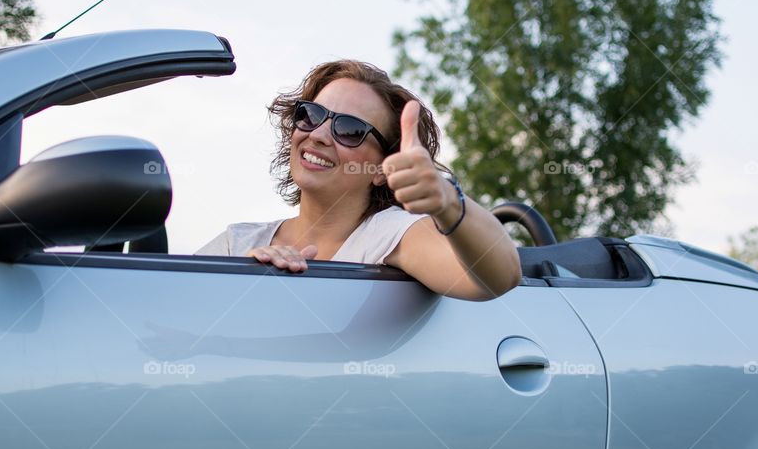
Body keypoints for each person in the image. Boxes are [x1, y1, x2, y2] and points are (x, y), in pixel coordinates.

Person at [195, 60, 521, 301]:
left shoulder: (389, 234)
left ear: (383, 168)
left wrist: (448, 201)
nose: (319, 135)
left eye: (349, 130)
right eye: (311, 115)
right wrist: (239, 278)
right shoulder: (236, 245)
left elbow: (498, 278)